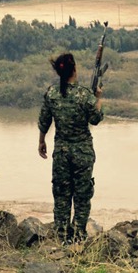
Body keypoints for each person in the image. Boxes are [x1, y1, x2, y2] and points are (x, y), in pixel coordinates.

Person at [38, 53, 104, 243]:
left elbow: (44, 121)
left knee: (61, 195)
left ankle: (62, 236)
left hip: (61, 153)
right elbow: (96, 119)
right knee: (82, 197)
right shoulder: (84, 95)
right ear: (74, 69)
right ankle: (78, 236)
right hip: (82, 152)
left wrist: (41, 141)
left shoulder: (52, 93)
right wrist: (98, 98)